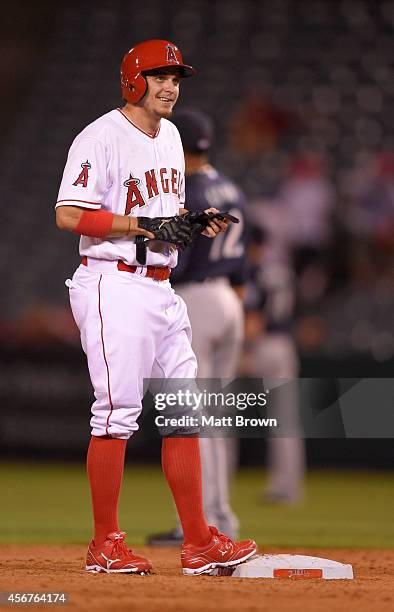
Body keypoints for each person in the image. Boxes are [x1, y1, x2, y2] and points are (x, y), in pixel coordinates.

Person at [55, 39, 256, 576]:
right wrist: (141, 226)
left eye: (176, 78)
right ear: (132, 81)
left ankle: (198, 543)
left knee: (184, 411)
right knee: (116, 414)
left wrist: (189, 220)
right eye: (160, 76)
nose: (171, 87)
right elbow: (70, 215)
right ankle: (104, 543)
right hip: (112, 284)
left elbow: (163, 210)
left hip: (163, 287)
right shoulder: (99, 137)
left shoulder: (170, 136)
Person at [147, 109, 249, 545]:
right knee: (215, 417)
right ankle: (219, 517)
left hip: (196, 300)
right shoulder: (230, 186)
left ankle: (204, 524)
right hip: (229, 299)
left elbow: (179, 256)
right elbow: (244, 260)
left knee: (192, 415)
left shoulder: (188, 187)